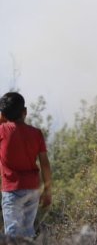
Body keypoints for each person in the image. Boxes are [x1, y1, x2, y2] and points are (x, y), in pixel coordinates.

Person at [0, 92, 52, 238]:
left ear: (3, 115)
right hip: (32, 189)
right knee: (27, 233)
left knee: (12, 235)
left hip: (12, 190)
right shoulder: (36, 133)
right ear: (25, 111)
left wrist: (2, 118)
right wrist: (47, 190)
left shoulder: (2, 131)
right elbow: (45, 164)